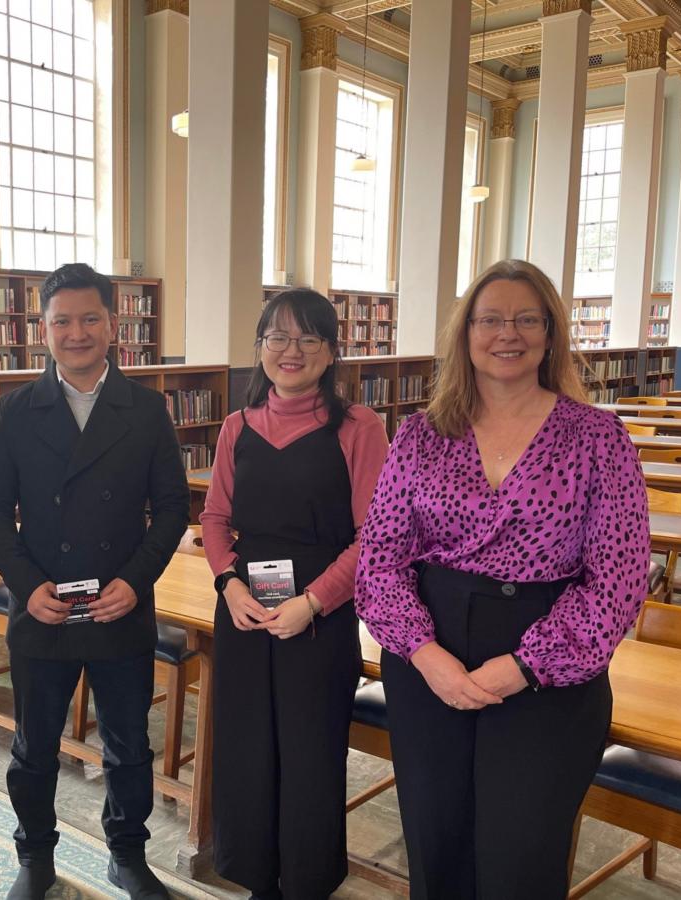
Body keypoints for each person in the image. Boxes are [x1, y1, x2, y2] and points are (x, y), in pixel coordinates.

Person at [354, 259, 650, 900]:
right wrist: (426, 655)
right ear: (466, 334)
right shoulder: (422, 435)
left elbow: (618, 581)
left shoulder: (599, 437)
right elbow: (380, 560)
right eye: (489, 319)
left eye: (524, 319)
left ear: (549, 333)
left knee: (520, 859)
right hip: (426, 655)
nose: (505, 333)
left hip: (549, 670)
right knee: (436, 847)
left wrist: (524, 665)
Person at [0, 262, 190, 900]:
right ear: (42, 329)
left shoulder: (147, 409)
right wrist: (24, 585)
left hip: (120, 606)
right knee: (33, 746)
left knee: (129, 747)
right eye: (62, 320)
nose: (77, 332)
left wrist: (136, 580)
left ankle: (126, 854)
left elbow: (174, 507)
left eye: (89, 318)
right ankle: (35, 857)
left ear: (112, 324)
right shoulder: (15, 408)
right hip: (40, 608)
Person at [200, 290, 388, 899]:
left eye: (308, 339)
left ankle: (307, 880)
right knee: (247, 747)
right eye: (277, 338)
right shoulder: (236, 426)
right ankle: (257, 877)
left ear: (332, 352)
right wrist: (228, 583)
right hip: (246, 610)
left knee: (310, 752)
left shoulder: (361, 428)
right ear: (259, 348)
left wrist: (314, 601)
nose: (291, 351)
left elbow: (372, 538)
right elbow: (214, 518)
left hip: (321, 614)